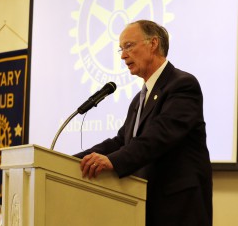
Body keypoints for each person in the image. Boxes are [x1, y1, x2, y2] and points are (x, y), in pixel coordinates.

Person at [74, 20, 212, 226]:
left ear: (153, 43)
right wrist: (70, 161)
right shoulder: (139, 98)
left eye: (129, 46)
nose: (122, 56)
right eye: (121, 49)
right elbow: (122, 141)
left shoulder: (182, 85)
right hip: (145, 206)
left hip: (179, 208)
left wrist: (113, 161)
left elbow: (159, 136)